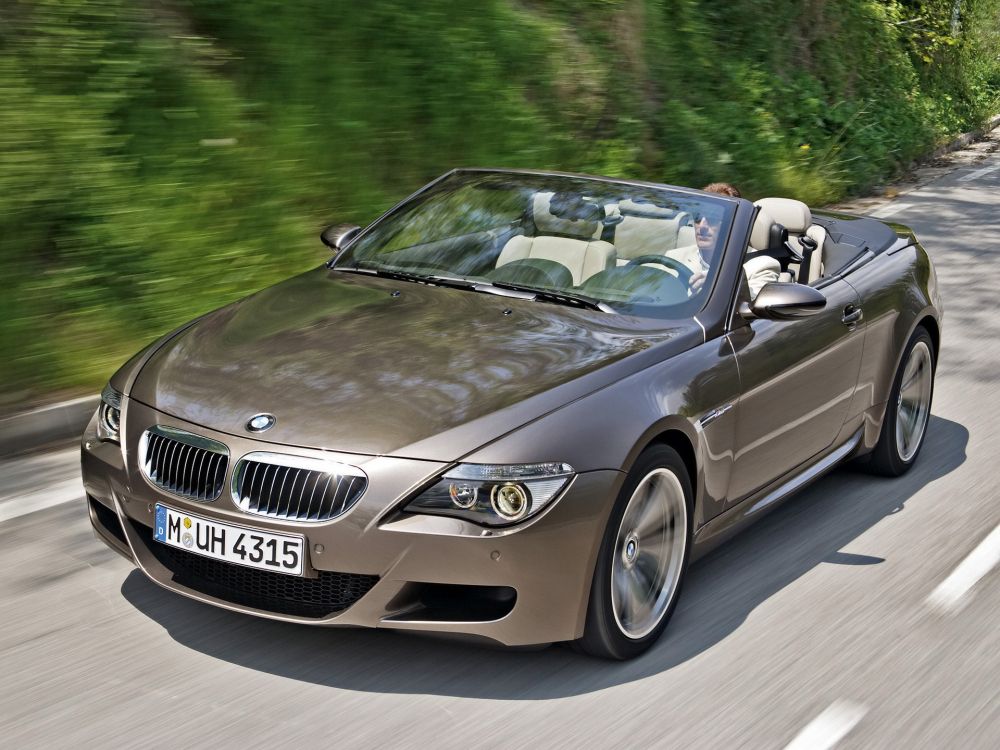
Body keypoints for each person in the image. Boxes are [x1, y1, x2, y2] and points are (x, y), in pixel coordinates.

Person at [682, 182, 779, 297]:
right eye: (697, 217)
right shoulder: (673, 257)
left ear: (734, 224)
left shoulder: (762, 267)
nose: (702, 226)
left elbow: (751, 310)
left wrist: (722, 282)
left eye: (713, 218)